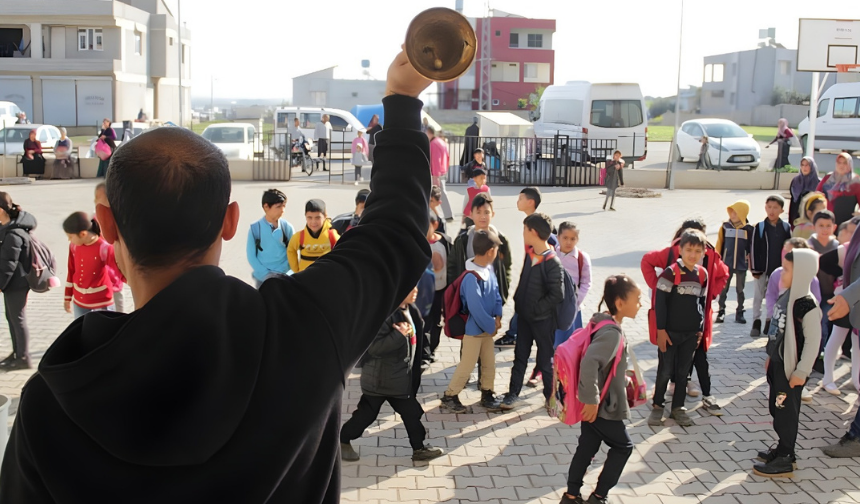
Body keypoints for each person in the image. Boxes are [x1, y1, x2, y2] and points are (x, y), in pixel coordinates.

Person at [0, 47, 434, 503]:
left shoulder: (48, 401)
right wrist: (402, 99)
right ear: (230, 221)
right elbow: (396, 231)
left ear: (105, 225)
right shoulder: (304, 326)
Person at [559, 275, 641, 504]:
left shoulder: (602, 322)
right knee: (623, 447)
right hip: (603, 406)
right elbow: (589, 362)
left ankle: (571, 496)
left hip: (596, 402)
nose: (640, 304)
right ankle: (599, 496)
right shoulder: (612, 333)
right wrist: (591, 400)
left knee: (587, 447)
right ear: (620, 303)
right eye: (637, 299)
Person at [340, 287, 444, 462]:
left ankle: (419, 449)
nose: (416, 291)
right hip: (380, 380)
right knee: (366, 416)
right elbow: (373, 348)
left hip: (398, 378)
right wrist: (398, 335)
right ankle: (343, 439)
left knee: (411, 413)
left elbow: (418, 336)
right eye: (410, 288)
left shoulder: (410, 309)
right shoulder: (384, 314)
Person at [641, 219, 729, 400]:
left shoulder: (711, 256)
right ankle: (662, 396)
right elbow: (647, 260)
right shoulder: (671, 253)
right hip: (670, 320)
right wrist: (658, 287)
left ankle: (701, 392)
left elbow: (723, 274)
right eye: (689, 246)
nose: (693, 252)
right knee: (667, 361)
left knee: (697, 355)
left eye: (698, 247)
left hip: (695, 319)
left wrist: (711, 293)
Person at [753, 248, 821, 477]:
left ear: (801, 273)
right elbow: (777, 331)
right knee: (776, 407)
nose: (782, 273)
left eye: (787, 269)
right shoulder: (787, 297)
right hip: (778, 364)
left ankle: (786, 456)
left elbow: (813, 342)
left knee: (786, 412)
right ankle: (783, 448)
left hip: (791, 369)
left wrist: (802, 371)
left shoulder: (807, 306)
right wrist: (770, 357)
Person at [500, 213, 564, 411]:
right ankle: (512, 394)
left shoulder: (552, 261)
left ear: (533, 232)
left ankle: (551, 398)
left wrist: (536, 309)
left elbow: (557, 294)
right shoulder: (530, 254)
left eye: (525, 229)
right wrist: (518, 302)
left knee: (545, 361)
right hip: (524, 318)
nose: (523, 233)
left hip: (543, 321)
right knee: (520, 357)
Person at [648, 229, 709, 427]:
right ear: (680, 250)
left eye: (698, 251)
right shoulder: (670, 273)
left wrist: (700, 329)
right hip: (669, 333)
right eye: (689, 250)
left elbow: (702, 302)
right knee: (665, 371)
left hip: (690, 334)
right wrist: (661, 331)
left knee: (683, 373)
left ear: (703, 253)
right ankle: (658, 405)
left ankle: (678, 407)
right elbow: (660, 304)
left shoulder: (702, 274)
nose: (693, 254)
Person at [440, 229, 504, 413]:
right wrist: (491, 325)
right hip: (474, 331)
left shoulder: (488, 271)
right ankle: (450, 395)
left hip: (487, 330)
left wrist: (498, 315)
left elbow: (497, 295)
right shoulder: (470, 278)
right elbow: (475, 308)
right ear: (490, 251)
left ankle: (487, 392)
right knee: (467, 365)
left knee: (489, 363)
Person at [497, 187, 558, 349]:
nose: (517, 202)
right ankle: (516, 334)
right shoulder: (531, 221)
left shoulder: (539, 224)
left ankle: (514, 335)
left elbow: (552, 245)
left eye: (520, 199)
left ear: (530, 202)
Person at [447, 193, 511, 311]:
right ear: (471, 214)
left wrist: (503, 293)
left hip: (491, 297)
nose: (483, 216)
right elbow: (452, 267)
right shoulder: (462, 240)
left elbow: (506, 267)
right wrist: (456, 293)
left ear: (493, 214)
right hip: (467, 297)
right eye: (478, 212)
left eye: (486, 212)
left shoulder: (501, 240)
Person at [0, 193, 34, 371]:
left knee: (17, 319)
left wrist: (0, 285)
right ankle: (16, 353)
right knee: (12, 318)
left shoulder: (14, 233)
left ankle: (23, 358)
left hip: (17, 284)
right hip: (10, 283)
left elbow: (9, 265)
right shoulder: (6, 227)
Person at [62, 212, 118, 320]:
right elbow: (71, 271)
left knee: (105, 329)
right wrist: (67, 297)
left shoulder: (104, 248)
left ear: (83, 234)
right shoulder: (74, 246)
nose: (69, 240)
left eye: (70, 236)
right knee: (81, 328)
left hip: (102, 302)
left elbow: (118, 272)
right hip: (79, 301)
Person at [750, 195, 792, 338]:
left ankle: (770, 321)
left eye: (775, 208)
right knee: (758, 296)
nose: (771, 210)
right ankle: (756, 321)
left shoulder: (786, 227)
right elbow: (753, 248)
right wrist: (755, 269)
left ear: (782, 210)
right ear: (765, 207)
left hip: (779, 270)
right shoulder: (760, 227)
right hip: (762, 269)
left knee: (775, 296)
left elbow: (789, 249)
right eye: (769, 207)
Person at [247, 189, 296, 288]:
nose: (282, 210)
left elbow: (293, 252)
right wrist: (266, 274)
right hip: (262, 278)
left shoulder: (287, 227)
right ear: (266, 207)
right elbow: (251, 256)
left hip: (284, 275)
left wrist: (282, 271)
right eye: (278, 207)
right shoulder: (255, 229)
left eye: (284, 206)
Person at [715, 200, 754, 324]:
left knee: (740, 290)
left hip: (742, 264)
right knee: (724, 289)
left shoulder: (749, 229)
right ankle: (721, 311)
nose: (732, 215)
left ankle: (740, 312)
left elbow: (752, 247)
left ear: (743, 213)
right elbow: (719, 244)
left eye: (736, 212)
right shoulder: (725, 227)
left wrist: (751, 262)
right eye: (731, 212)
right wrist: (717, 261)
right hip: (726, 264)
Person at [422, 211, 451, 367]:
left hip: (440, 289)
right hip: (423, 290)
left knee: (436, 320)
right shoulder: (419, 243)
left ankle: (432, 348)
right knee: (424, 321)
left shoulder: (445, 242)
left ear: (435, 225)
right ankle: (425, 353)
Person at [94, 183, 128, 313]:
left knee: (119, 307)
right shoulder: (93, 221)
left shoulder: (114, 218)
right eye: (96, 198)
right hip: (101, 281)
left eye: (100, 197)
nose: (97, 201)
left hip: (115, 278)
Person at [286, 199, 340, 273]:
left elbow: (342, 252)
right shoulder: (299, 237)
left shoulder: (332, 236)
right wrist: (296, 270)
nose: (313, 222)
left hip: (327, 276)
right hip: (305, 277)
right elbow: (291, 250)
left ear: (325, 216)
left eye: (317, 218)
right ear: (305, 216)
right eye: (309, 217)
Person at [816, 152, 860, 225]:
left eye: (845, 163)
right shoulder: (828, 178)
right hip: (827, 220)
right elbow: (816, 194)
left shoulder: (855, 181)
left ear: (850, 164)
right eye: (839, 163)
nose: (841, 165)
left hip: (846, 223)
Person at [427, 125, 454, 222]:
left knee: (439, 194)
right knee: (441, 194)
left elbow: (436, 160)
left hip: (437, 173)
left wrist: (435, 176)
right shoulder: (440, 142)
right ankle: (447, 214)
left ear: (429, 133)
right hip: (442, 171)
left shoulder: (433, 144)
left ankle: (446, 215)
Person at [788, 157, 821, 228]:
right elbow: (793, 198)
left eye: (807, 165)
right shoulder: (795, 181)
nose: (804, 167)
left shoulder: (818, 182)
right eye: (802, 165)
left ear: (812, 166)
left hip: (811, 216)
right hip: (796, 213)